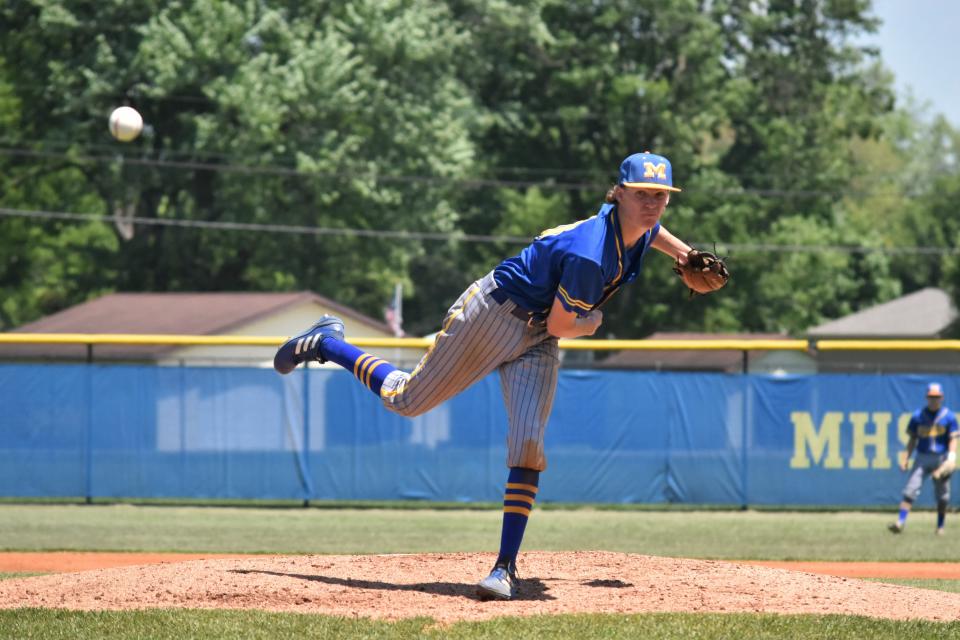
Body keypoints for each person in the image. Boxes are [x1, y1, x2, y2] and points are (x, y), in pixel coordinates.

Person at [274, 151, 711, 599]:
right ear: (618, 193)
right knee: (405, 400)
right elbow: (565, 325)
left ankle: (504, 569)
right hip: (495, 313)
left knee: (528, 443)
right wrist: (592, 323)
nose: (652, 203)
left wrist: (686, 253)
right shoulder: (590, 255)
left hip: (536, 334)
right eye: (641, 194)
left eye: (660, 195)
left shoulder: (635, 228)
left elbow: (652, 233)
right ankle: (327, 342)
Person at [889, 382, 959, 535]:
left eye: (937, 397)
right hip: (922, 457)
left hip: (941, 458)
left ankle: (940, 526)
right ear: (927, 397)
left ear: (942, 398)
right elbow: (912, 440)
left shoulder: (949, 417)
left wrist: (952, 457)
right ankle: (900, 522)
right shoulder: (917, 416)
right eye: (931, 397)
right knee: (910, 490)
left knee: (943, 496)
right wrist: (906, 457)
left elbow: (953, 439)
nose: (934, 400)